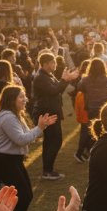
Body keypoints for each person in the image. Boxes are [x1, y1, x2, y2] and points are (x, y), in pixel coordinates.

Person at [0, 85, 58, 211]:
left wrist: (41, 127)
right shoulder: (7, 117)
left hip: (13, 160)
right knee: (21, 197)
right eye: (21, 97)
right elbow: (21, 139)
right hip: (5, 161)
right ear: (11, 99)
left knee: (25, 196)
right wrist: (40, 128)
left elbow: (28, 136)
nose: (25, 100)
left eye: (25, 96)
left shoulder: (15, 115)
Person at [32, 52, 80, 180]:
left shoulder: (47, 75)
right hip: (48, 113)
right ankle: (47, 171)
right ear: (46, 64)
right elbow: (54, 91)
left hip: (51, 112)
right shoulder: (41, 77)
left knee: (51, 141)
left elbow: (56, 89)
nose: (55, 64)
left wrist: (66, 80)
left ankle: (47, 170)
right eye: (53, 62)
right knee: (54, 141)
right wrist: (64, 80)